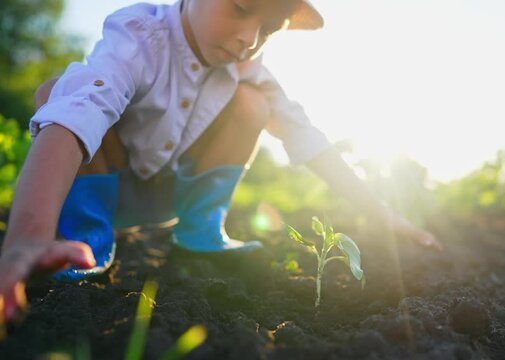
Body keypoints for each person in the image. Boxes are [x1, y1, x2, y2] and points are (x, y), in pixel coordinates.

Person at [0, 0, 441, 325]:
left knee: (254, 106)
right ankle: (86, 239)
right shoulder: (139, 37)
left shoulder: (249, 70)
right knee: (58, 91)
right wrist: (28, 236)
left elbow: (307, 138)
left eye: (269, 29)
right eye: (241, 8)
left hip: (173, 195)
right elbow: (81, 108)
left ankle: (200, 232)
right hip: (104, 183)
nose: (249, 39)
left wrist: (382, 214)